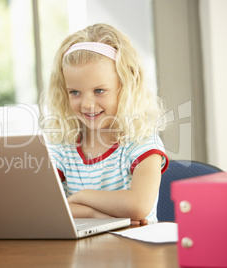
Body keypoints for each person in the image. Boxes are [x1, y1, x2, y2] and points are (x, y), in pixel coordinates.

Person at [40, 23, 169, 225]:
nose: (87, 104)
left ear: (126, 86)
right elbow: (44, 206)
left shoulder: (142, 142)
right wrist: (97, 216)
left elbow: (138, 205)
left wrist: (82, 197)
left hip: (137, 251)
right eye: (75, 92)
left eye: (99, 91)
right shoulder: (62, 147)